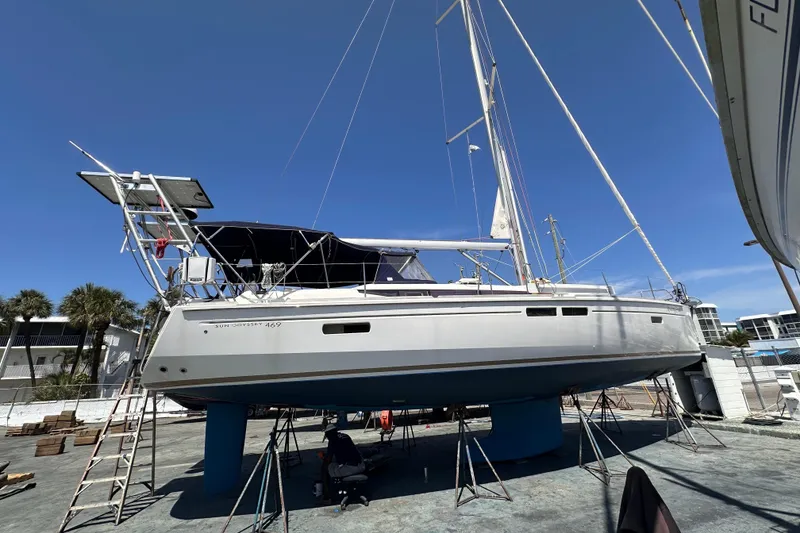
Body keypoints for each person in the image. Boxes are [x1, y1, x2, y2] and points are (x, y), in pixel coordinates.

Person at [319, 423, 365, 503]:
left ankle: (327, 496)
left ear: (328, 434)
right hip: (360, 464)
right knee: (333, 465)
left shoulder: (332, 441)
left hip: (351, 467)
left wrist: (323, 457)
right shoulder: (345, 436)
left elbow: (328, 460)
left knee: (325, 468)